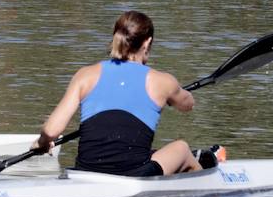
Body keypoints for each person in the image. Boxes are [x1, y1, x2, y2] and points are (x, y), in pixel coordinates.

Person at [31, 10, 221, 176]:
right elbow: (188, 105)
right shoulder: (162, 81)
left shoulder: (85, 75)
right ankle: (204, 182)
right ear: (147, 43)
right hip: (133, 173)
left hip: (86, 171)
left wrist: (43, 143)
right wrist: (173, 95)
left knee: (148, 153)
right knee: (181, 148)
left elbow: (51, 131)